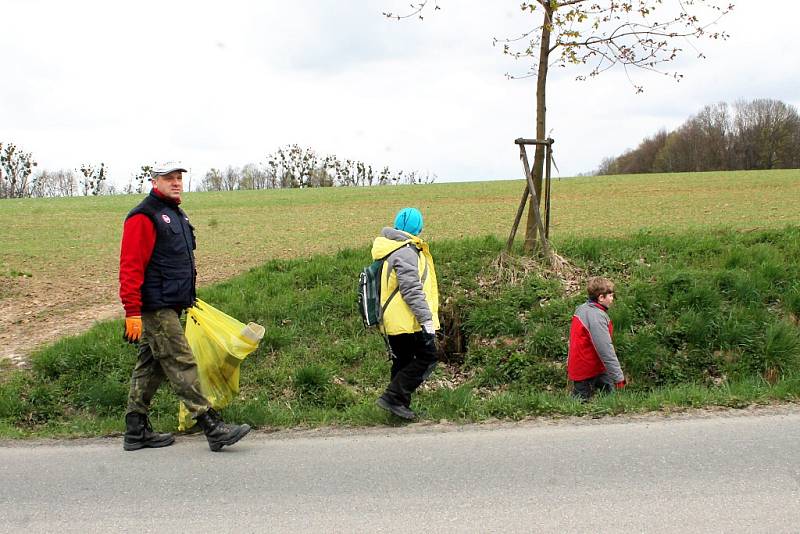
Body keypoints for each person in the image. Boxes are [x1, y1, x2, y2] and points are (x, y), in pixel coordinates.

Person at [119, 161, 250, 451]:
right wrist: (132, 311)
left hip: (171, 302)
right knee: (182, 361)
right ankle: (211, 425)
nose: (176, 182)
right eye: (169, 178)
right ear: (155, 182)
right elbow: (130, 267)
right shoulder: (143, 216)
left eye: (179, 178)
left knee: (149, 367)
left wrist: (187, 299)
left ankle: (135, 429)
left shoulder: (174, 213)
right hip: (155, 306)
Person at [372, 207, 440, 420]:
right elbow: (411, 289)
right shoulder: (406, 252)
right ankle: (393, 397)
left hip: (393, 321)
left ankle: (398, 407)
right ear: (418, 228)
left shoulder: (391, 248)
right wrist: (426, 320)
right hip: (406, 321)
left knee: (402, 361)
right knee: (428, 357)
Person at [567, 277, 626, 400]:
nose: (612, 299)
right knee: (581, 406)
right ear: (601, 298)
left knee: (610, 401)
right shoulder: (597, 317)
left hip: (590, 366)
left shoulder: (582, 309)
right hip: (587, 369)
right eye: (610, 296)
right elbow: (605, 348)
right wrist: (619, 377)